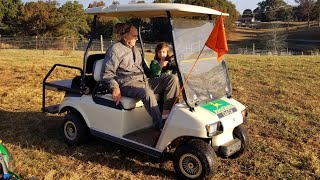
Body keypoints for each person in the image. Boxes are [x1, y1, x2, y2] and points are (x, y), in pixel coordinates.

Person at [101, 24, 179, 130]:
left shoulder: (136, 50)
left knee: (172, 79)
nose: (137, 38)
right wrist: (114, 87)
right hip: (127, 84)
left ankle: (166, 115)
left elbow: (147, 71)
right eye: (134, 36)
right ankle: (161, 126)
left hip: (144, 81)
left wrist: (161, 67)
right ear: (125, 37)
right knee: (147, 92)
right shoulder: (115, 50)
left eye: (137, 36)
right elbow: (107, 73)